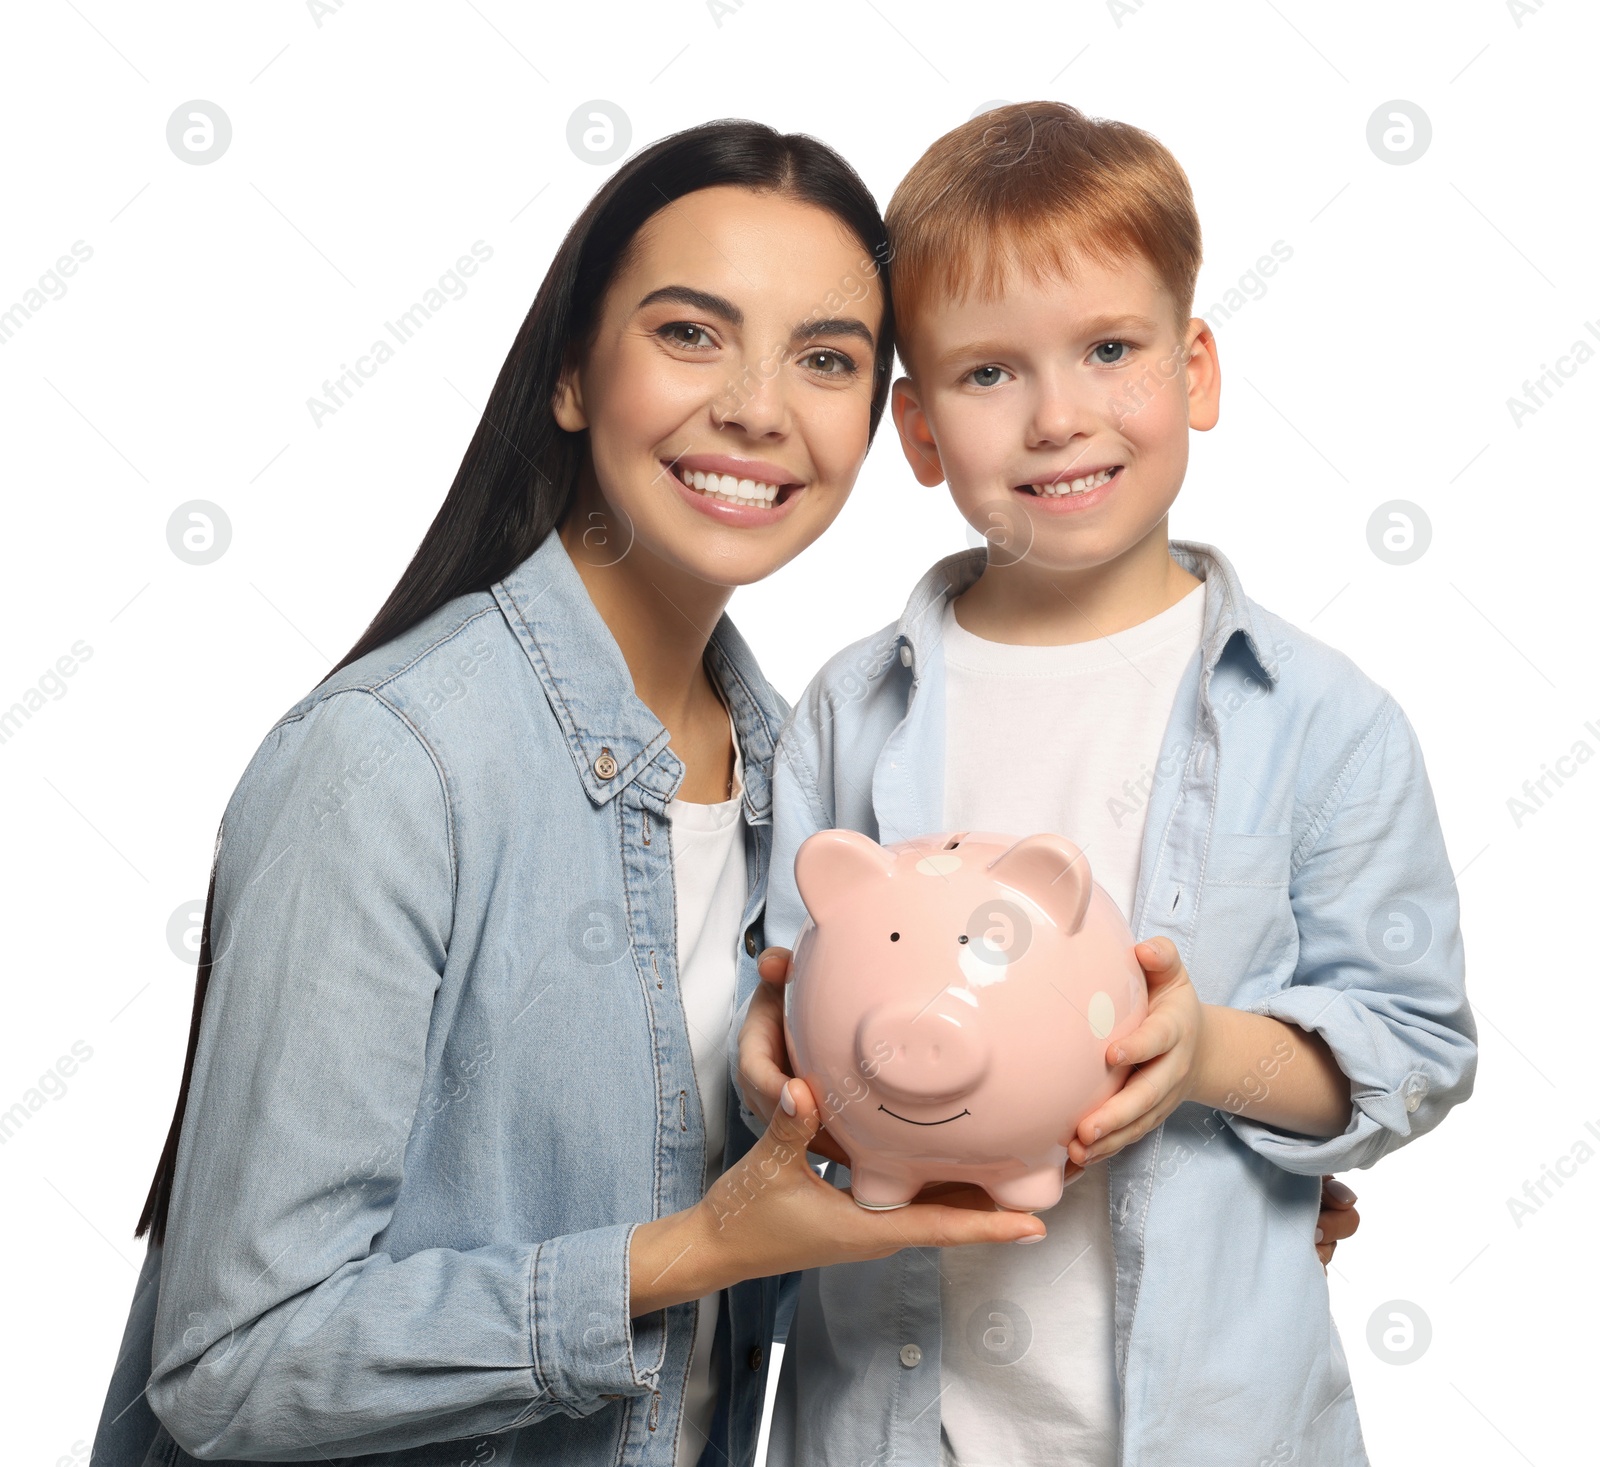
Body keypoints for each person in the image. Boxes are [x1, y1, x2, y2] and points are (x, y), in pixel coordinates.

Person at [87, 120, 1050, 1467]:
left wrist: (1184, 1204)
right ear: (571, 378)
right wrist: (678, 1257)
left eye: (825, 358)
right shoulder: (390, 765)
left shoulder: (812, 790)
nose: (760, 406)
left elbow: (839, 1201)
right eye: (690, 334)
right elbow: (235, 1368)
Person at [736, 101, 1474, 1466]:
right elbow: (783, 1019)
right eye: (989, 374)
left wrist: (1205, 1057)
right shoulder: (851, 710)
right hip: (898, 1422)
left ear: (1195, 369)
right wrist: (774, 1066)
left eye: (1110, 350)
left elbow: (1413, 1047)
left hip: (1210, 1427)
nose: (1059, 416)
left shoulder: (1320, 721)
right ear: (917, 429)